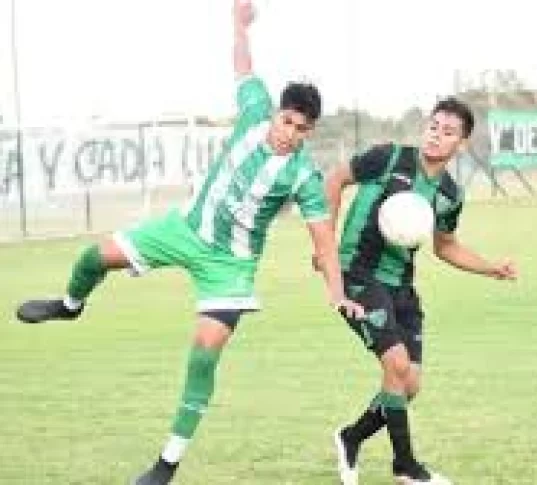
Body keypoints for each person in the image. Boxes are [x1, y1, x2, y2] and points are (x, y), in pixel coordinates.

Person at [14, 1, 363, 484]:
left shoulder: (303, 174)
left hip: (230, 267)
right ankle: (70, 304)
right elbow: (242, 60)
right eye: (287, 122)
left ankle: (166, 465)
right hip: (184, 230)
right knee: (92, 256)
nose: (291, 134)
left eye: (302, 130)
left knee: (204, 352)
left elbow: (324, 241)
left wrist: (337, 292)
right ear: (277, 113)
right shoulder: (255, 107)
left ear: (311, 131)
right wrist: (238, 22)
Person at [322, 97, 518, 485]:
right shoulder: (389, 158)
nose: (436, 135)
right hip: (357, 275)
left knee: (408, 384)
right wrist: (324, 245)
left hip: (401, 287)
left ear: (460, 144)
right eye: (433, 126)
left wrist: (490, 268)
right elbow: (334, 179)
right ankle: (406, 468)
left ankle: (350, 437)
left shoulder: (448, 193)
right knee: (395, 366)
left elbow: (445, 246)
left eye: (448, 132)